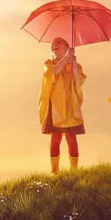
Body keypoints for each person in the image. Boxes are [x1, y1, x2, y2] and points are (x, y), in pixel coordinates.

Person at [38, 37, 86, 175]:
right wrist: (66, 57)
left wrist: (74, 64)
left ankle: (74, 170)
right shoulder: (49, 64)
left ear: (67, 47)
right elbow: (52, 73)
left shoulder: (72, 65)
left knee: (71, 137)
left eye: (59, 43)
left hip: (70, 106)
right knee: (56, 137)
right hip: (55, 108)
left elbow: (78, 81)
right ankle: (54, 171)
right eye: (53, 45)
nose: (54, 45)